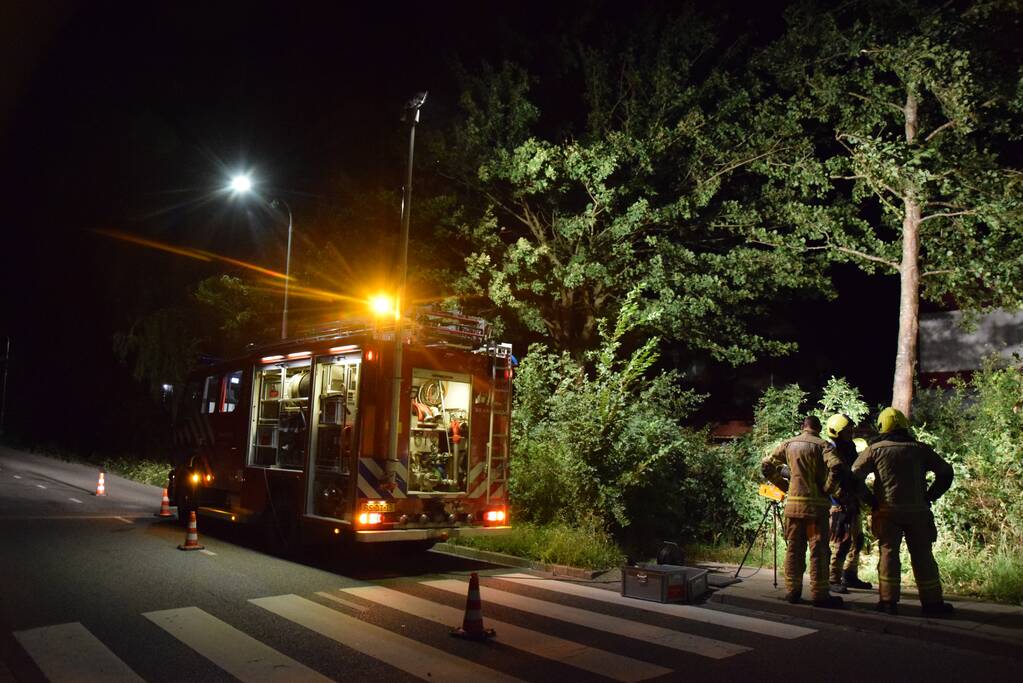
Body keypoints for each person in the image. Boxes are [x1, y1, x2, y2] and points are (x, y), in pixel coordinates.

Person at [852, 407, 955, 616]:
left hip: (887, 512)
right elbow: (945, 472)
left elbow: (854, 477)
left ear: (882, 427)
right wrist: (930, 497)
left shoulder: (874, 449)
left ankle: (888, 602)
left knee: (889, 554)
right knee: (923, 555)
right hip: (918, 512)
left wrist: (870, 500)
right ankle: (933, 604)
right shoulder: (920, 449)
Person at [761, 415, 844, 608]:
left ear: (802, 427)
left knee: (794, 550)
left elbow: (766, 466)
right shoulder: (823, 445)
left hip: (793, 507)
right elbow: (837, 467)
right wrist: (827, 488)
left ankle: (792, 591)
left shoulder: (788, 444)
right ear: (818, 428)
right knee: (819, 552)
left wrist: (783, 485)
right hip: (816, 510)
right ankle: (820, 595)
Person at [823, 414, 872, 593]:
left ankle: (849, 574)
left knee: (857, 540)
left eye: (851, 429)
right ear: (836, 432)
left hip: (852, 501)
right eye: (847, 430)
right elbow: (828, 478)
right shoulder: (830, 449)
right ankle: (833, 579)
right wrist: (840, 497)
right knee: (840, 542)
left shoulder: (849, 448)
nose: (851, 432)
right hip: (837, 504)